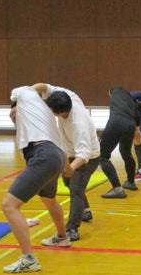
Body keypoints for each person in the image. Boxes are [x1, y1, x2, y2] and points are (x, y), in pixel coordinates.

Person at [2, 86, 72, 274]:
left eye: (13, 113)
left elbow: (28, 89)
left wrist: (16, 103)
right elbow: (62, 150)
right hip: (54, 156)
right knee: (49, 200)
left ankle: (29, 259)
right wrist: (66, 167)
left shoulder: (25, 93)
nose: (13, 117)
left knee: (9, 205)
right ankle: (62, 236)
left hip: (43, 155)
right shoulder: (47, 117)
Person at [32, 83, 100, 241]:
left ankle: (72, 229)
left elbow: (84, 154)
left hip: (88, 158)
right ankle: (84, 210)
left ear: (62, 112)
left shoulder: (78, 125)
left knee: (76, 188)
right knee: (69, 183)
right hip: (69, 152)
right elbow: (44, 86)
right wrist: (25, 93)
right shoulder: (68, 96)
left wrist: (72, 168)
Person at [100, 86, 141, 199]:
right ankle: (131, 182)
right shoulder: (130, 99)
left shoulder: (115, 92)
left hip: (116, 122)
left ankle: (117, 189)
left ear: (110, 92)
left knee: (102, 156)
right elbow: (138, 115)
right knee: (126, 153)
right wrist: (137, 131)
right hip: (130, 125)